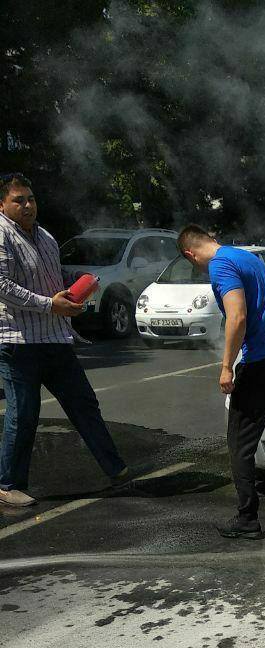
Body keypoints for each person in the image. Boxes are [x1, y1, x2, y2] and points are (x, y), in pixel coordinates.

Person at [0, 173, 130, 506]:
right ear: (3, 203)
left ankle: (116, 470)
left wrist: (74, 297)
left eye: (30, 198)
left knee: (84, 404)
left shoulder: (45, 237)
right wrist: (49, 304)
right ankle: (9, 484)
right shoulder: (1, 235)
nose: (28, 205)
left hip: (56, 339)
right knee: (23, 413)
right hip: (18, 342)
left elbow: (52, 281)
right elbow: (2, 286)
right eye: (18, 200)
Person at [178, 225, 265, 538]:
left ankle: (248, 518)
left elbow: (237, 316)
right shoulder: (248, 258)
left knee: (239, 443)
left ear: (189, 254)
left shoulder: (220, 265)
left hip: (261, 362)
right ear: (211, 237)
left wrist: (226, 367)